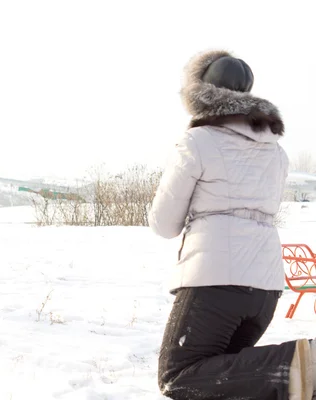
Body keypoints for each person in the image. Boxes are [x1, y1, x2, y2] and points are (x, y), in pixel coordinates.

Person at [149, 50, 314, 399]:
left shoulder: (197, 141)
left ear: (199, 92)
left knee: (179, 376)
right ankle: (301, 368)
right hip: (266, 285)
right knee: (228, 385)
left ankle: (306, 363)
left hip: (215, 281)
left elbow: (164, 224)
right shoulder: (276, 152)